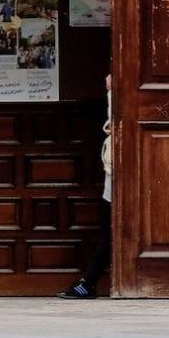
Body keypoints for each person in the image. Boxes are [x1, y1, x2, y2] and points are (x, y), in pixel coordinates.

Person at [60, 73, 113, 299]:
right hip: (114, 163)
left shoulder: (127, 88)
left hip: (122, 162)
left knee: (113, 225)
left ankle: (89, 282)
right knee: (111, 224)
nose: (107, 79)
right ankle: (88, 281)